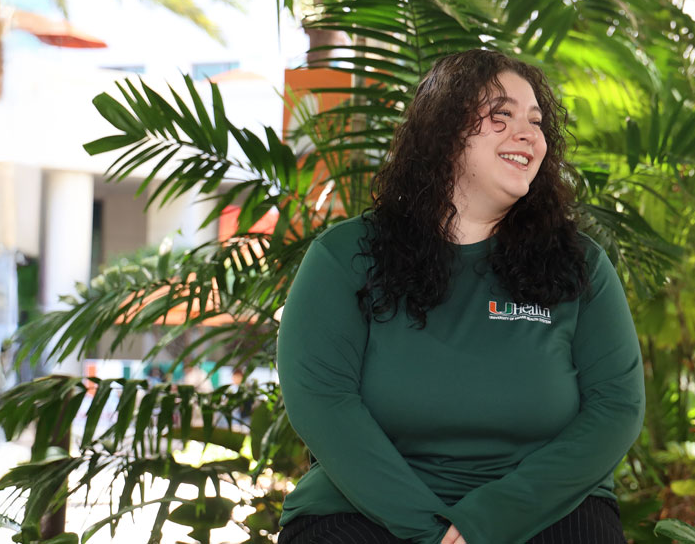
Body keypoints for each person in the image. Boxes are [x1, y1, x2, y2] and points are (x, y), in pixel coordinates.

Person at [275, 48, 644, 544]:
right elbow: (322, 400)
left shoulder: (580, 265)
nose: (528, 134)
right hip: (364, 508)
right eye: (501, 114)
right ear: (444, 131)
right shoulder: (344, 257)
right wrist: (429, 532)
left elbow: (616, 407)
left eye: (536, 121)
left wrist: (489, 521)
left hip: (547, 509)